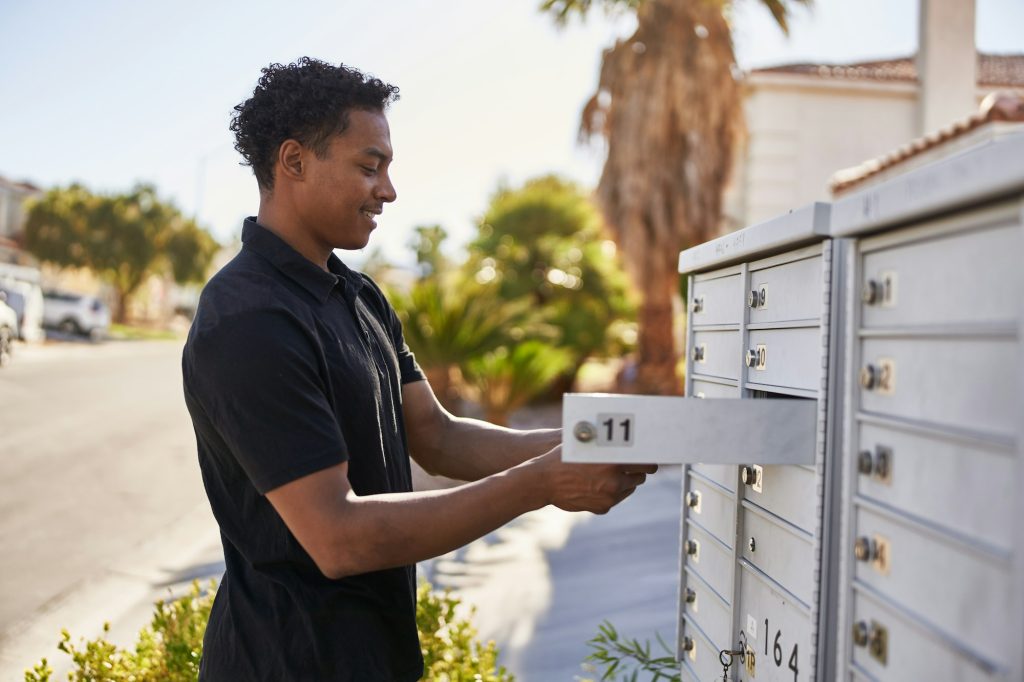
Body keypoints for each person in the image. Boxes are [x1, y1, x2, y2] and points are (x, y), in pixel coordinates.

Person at [182, 56, 656, 681]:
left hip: (376, 655)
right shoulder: (247, 319)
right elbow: (338, 536)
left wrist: (596, 440)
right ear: (294, 162)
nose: (388, 190)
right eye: (368, 166)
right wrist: (542, 483)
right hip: (287, 663)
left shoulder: (358, 296)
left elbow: (439, 436)